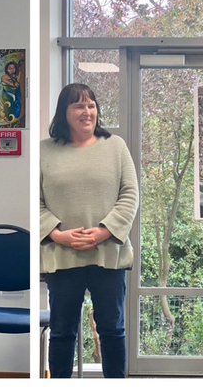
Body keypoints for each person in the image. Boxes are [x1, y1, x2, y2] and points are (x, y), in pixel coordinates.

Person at [40, 82, 138, 378]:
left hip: (108, 254)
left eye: (91, 105)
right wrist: (58, 234)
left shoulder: (116, 146)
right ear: (64, 112)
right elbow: (34, 201)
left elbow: (130, 194)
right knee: (62, 332)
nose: (87, 111)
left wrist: (103, 232)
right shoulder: (45, 151)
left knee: (112, 329)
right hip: (62, 254)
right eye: (79, 105)